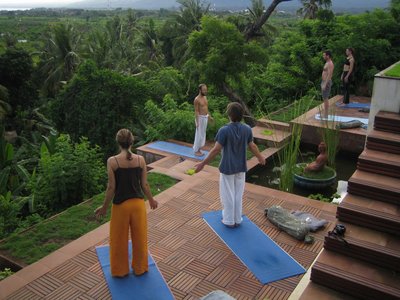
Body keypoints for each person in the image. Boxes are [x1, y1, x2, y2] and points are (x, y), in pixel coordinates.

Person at [95, 129, 158, 277]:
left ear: (118, 142)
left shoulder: (112, 161)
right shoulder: (140, 160)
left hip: (121, 207)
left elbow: (111, 188)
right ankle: (140, 268)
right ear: (132, 142)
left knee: (118, 239)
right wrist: (151, 200)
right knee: (140, 238)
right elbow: (145, 185)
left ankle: (120, 270)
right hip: (138, 205)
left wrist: (104, 207)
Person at [194, 103, 266, 228]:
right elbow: (252, 145)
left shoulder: (224, 130)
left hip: (227, 168)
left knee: (228, 194)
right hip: (241, 168)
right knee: (238, 194)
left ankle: (228, 220)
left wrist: (203, 163)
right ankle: (237, 219)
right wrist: (260, 157)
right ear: (241, 115)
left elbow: (216, 150)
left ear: (229, 115)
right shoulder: (247, 129)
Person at [193, 84, 213, 156]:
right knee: (199, 135)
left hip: (205, 118)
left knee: (203, 134)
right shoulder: (196, 99)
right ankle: (196, 151)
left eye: (206, 89)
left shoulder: (205, 97)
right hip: (200, 118)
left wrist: (209, 117)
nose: (205, 91)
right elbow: (196, 111)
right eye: (204, 90)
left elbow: (206, 108)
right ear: (200, 90)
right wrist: (197, 122)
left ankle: (199, 149)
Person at [321, 50, 334, 119]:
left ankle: (326, 115)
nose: (323, 56)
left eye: (324, 55)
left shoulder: (330, 63)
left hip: (326, 82)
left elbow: (330, 74)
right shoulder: (327, 62)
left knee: (325, 98)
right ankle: (325, 114)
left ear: (328, 56)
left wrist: (325, 84)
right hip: (324, 81)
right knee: (324, 98)